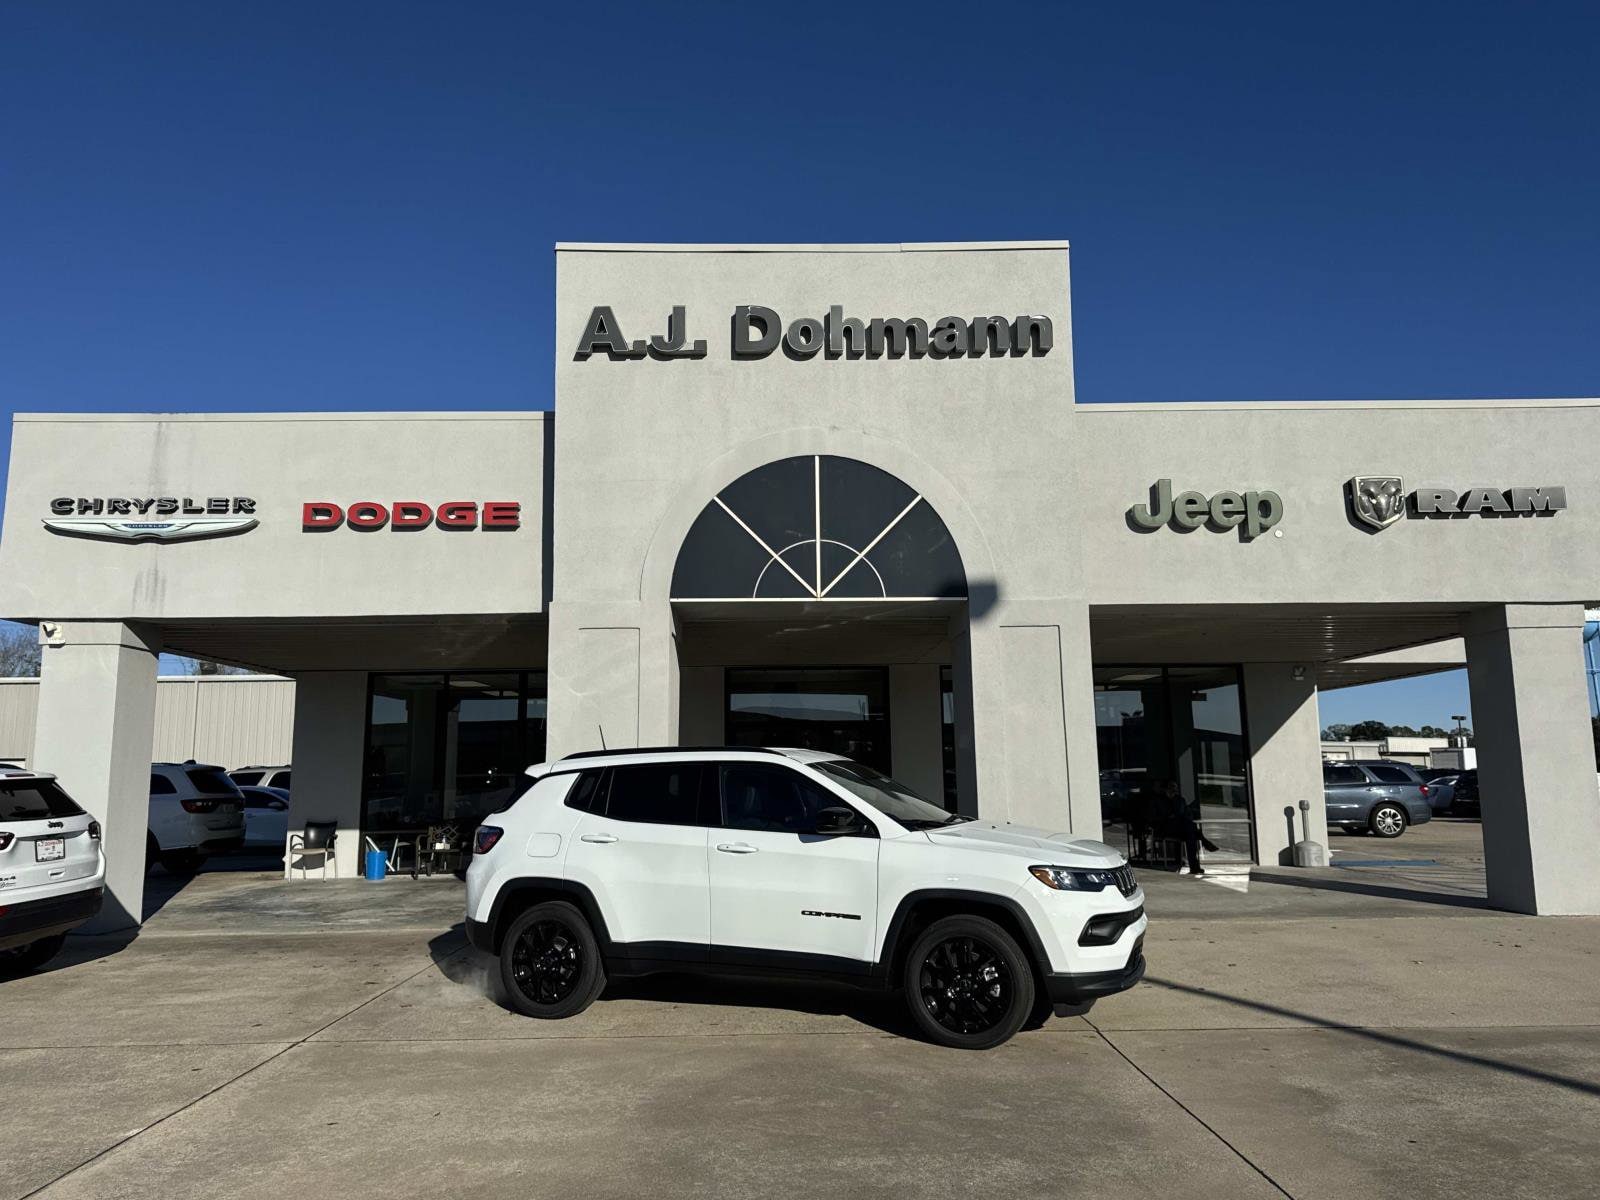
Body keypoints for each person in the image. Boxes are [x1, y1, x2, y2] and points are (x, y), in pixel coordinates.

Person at [1154, 778, 1218, 876]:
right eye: (1171, 789)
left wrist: (1175, 814)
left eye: (1174, 789)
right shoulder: (1160, 801)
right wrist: (1174, 815)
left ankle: (1195, 867)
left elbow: (1184, 814)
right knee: (1191, 829)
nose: (1173, 791)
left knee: (1190, 835)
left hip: (1181, 829)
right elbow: (1163, 816)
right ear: (1166, 789)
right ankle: (1203, 844)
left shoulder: (1180, 800)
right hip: (1168, 829)